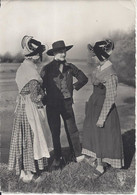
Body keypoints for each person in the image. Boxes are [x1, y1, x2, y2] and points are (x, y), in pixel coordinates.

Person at [8, 35, 52, 183]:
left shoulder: (22, 67)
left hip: (21, 107)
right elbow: (35, 97)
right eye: (39, 53)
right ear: (34, 55)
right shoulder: (32, 73)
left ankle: (23, 171)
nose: (41, 56)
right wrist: (45, 95)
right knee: (31, 137)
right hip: (30, 109)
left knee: (22, 137)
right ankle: (30, 174)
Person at [40, 40, 88, 169]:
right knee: (55, 132)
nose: (63, 53)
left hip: (67, 104)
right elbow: (40, 87)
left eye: (64, 51)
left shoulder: (70, 67)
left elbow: (84, 79)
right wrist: (44, 100)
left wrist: (73, 87)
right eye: (60, 51)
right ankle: (58, 158)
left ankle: (77, 155)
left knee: (72, 130)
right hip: (52, 105)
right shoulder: (47, 69)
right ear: (54, 53)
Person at [82, 39, 124, 177]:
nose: (92, 57)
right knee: (96, 135)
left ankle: (101, 166)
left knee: (104, 136)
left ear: (100, 55)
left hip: (103, 108)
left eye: (94, 55)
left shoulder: (110, 73)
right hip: (95, 106)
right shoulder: (100, 67)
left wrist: (102, 117)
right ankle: (99, 160)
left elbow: (111, 97)